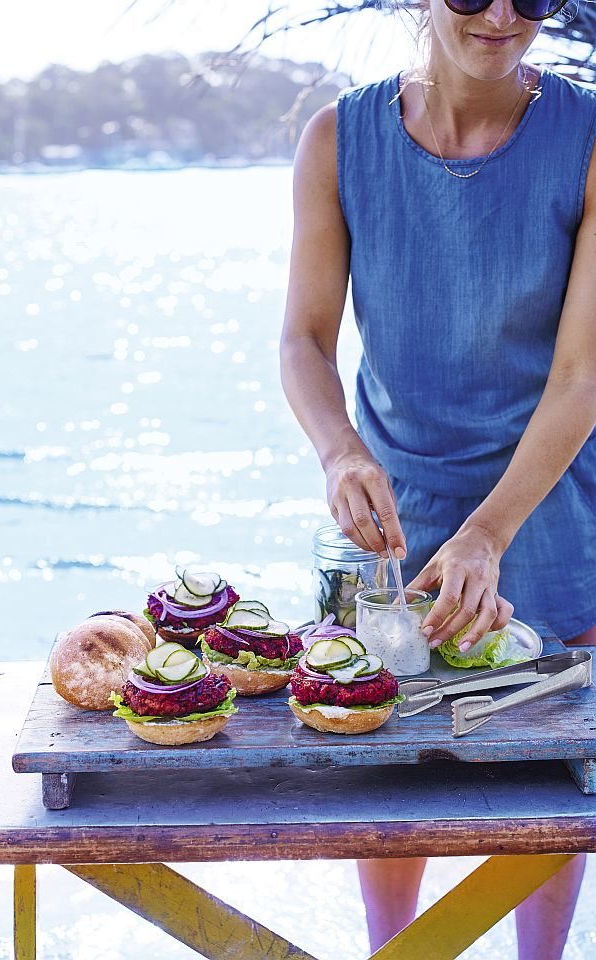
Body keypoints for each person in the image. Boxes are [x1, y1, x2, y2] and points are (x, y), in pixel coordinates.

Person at [279, 0, 596, 954]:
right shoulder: (338, 139)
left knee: (547, 812)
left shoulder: (588, 139)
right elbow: (302, 339)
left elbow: (585, 374)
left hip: (547, 516)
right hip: (393, 534)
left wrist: (491, 534)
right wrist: (340, 450)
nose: (501, 13)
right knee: (389, 793)